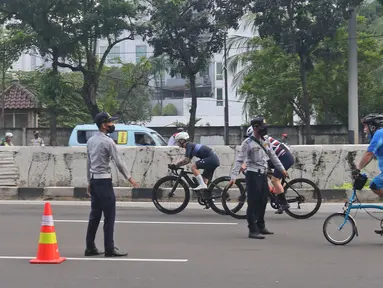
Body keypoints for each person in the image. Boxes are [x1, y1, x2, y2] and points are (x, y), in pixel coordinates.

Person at [85, 111, 139, 257]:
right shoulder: (108, 142)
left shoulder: (90, 141)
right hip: (104, 181)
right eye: (110, 122)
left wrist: (89, 181)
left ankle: (90, 247)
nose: (112, 125)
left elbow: (89, 163)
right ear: (103, 125)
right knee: (109, 216)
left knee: (94, 215)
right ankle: (109, 248)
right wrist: (130, 178)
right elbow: (119, 162)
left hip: (95, 181)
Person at [229, 117, 288, 239]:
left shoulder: (265, 140)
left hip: (263, 174)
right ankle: (252, 229)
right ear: (255, 128)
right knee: (253, 203)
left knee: (263, 202)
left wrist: (282, 169)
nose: (264, 129)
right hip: (253, 175)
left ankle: (261, 225)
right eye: (262, 127)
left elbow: (272, 155)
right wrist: (233, 176)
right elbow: (239, 160)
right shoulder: (247, 143)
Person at [242, 126, 293, 214]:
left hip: (285, 158)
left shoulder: (263, 141)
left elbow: (262, 156)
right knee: (264, 167)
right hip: (282, 157)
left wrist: (246, 164)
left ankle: (284, 203)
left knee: (274, 180)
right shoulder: (262, 139)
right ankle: (276, 190)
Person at [353, 113, 383, 235]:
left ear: (373, 127)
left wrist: (358, 168)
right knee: (375, 185)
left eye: (366, 126)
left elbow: (369, 154)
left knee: (375, 184)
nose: (364, 129)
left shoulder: (379, 134)